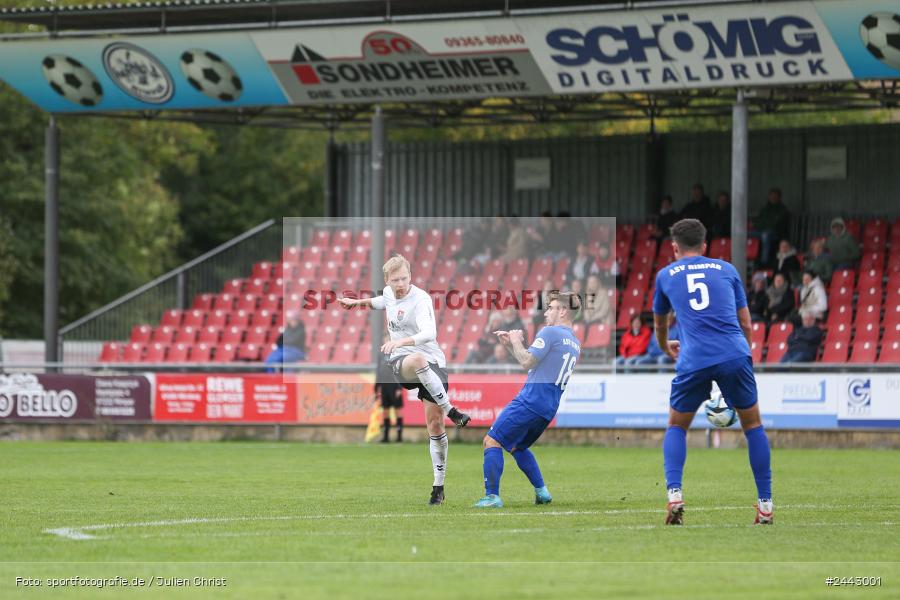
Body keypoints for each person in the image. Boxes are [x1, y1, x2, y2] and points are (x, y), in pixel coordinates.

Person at [653, 218, 772, 526]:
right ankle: (766, 506)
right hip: (734, 353)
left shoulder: (665, 275)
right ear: (705, 246)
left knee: (676, 426)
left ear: (675, 247)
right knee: (753, 426)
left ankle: (675, 495)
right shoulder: (727, 270)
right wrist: (744, 355)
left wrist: (665, 346)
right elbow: (746, 323)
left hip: (694, 358)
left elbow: (660, 324)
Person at [339, 254, 470, 506]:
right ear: (387, 280)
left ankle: (438, 487)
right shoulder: (390, 293)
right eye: (395, 280)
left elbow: (430, 332)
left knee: (435, 425)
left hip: (434, 363)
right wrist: (356, 303)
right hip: (404, 363)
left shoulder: (421, 299)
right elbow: (380, 301)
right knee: (417, 359)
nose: (400, 284)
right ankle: (452, 410)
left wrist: (400, 341)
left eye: (404, 278)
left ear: (410, 276)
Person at [473, 291, 582, 508]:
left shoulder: (550, 332)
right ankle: (542, 492)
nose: (546, 312)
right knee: (517, 446)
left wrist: (516, 340)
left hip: (531, 400)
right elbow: (533, 363)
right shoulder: (574, 342)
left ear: (563, 311)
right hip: (548, 408)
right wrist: (510, 345)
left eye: (550, 308)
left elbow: (527, 362)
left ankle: (492, 497)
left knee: (491, 441)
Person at [752, 187, 791, 268]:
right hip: (762, 231)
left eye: (775, 196)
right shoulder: (765, 208)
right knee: (744, 234)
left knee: (765, 236)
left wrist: (765, 225)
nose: (773, 198)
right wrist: (762, 226)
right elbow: (757, 222)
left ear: (779, 198)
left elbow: (775, 225)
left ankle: (764, 262)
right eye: (772, 196)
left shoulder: (782, 210)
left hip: (776, 233)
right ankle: (748, 257)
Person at [375, 345, 405, 443]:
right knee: (385, 411)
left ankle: (399, 437)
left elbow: (400, 371)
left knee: (397, 411)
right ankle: (386, 437)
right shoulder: (381, 355)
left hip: (394, 386)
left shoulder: (397, 353)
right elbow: (378, 371)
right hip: (384, 386)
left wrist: (399, 387)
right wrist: (377, 387)